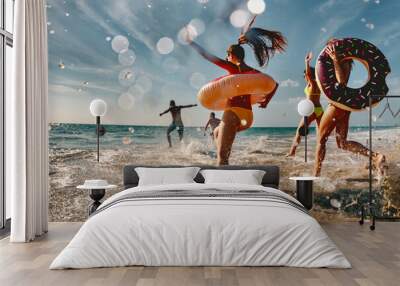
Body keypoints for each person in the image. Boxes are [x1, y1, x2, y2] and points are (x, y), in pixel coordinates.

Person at [188, 27, 286, 165]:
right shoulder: (253, 72)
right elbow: (274, 85)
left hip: (233, 113)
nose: (226, 59)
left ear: (232, 55)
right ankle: (218, 130)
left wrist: (191, 42)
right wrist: (266, 102)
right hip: (248, 116)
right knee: (216, 133)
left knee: (222, 159)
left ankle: (221, 184)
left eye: (227, 56)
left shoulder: (233, 68)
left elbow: (208, 55)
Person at [314, 39, 386, 176]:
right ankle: (375, 156)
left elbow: (341, 82)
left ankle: (315, 176)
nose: (329, 50)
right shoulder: (346, 62)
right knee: (342, 143)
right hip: (344, 106)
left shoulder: (341, 63)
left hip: (336, 106)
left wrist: (335, 60)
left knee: (320, 140)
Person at [287, 52, 324, 157]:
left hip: (311, 110)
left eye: (305, 75)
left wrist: (307, 62)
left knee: (299, 132)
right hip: (319, 110)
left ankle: (292, 152)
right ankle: (319, 155)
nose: (304, 77)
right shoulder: (319, 84)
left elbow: (308, 74)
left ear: (309, 75)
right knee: (320, 134)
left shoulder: (311, 84)